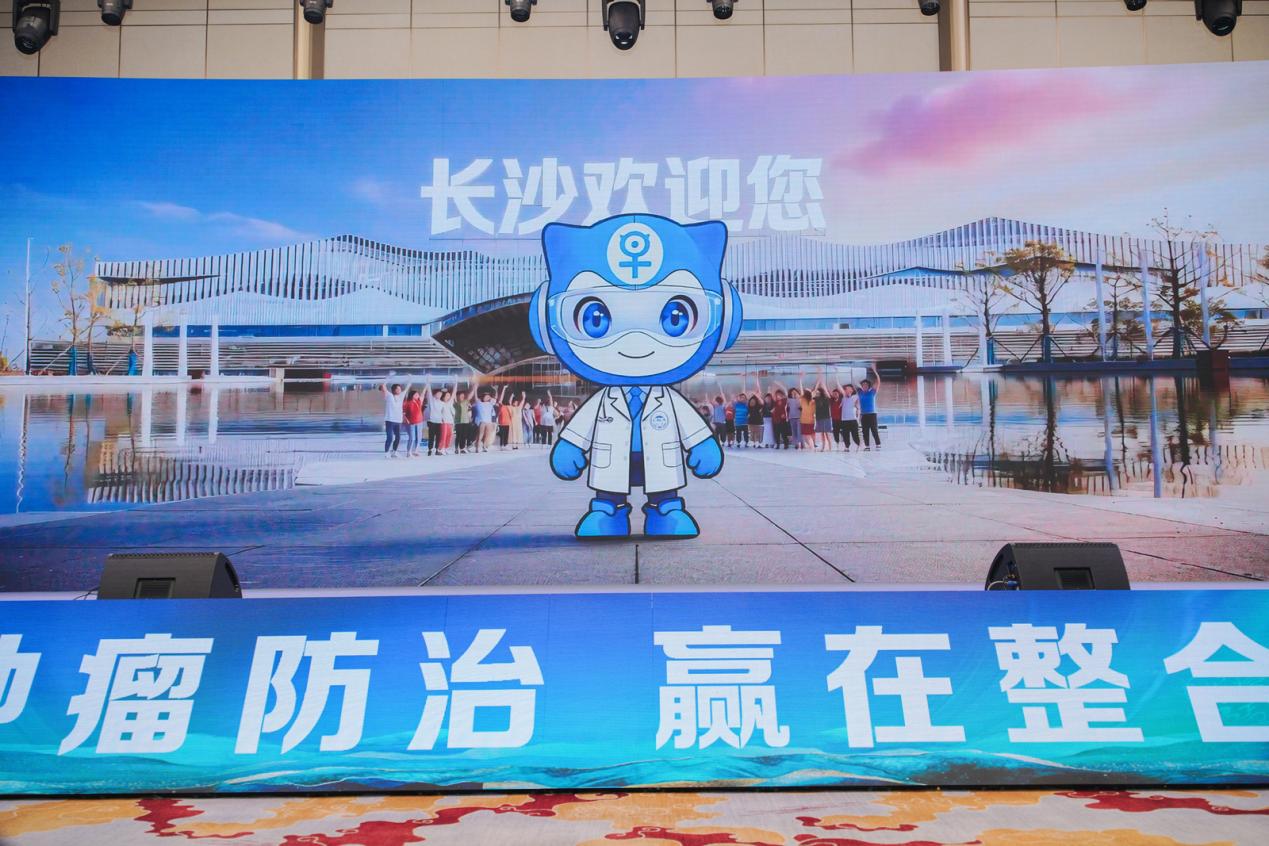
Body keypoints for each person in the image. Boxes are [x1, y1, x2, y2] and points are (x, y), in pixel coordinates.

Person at [380, 382, 407, 458]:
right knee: (390, 437)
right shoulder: (389, 396)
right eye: (398, 389)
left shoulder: (401, 396)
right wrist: (386, 380)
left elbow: (407, 387)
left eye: (400, 389)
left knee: (398, 437)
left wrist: (410, 379)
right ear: (394, 390)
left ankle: (394, 452)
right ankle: (386, 452)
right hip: (390, 420)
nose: (399, 390)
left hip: (398, 421)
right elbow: (384, 387)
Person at [859, 366, 882, 450]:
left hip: (872, 414)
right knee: (865, 431)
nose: (864, 386)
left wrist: (875, 372)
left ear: (869, 386)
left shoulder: (872, 392)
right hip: (863, 414)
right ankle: (867, 446)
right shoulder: (860, 392)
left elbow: (878, 382)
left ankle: (878, 444)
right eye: (863, 385)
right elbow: (854, 383)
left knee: (874, 430)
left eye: (866, 385)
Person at [424, 382, 445, 456]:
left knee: (438, 436)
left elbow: (442, 412)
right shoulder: (432, 400)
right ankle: (430, 450)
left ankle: (437, 450)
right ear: (435, 394)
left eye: (440, 394)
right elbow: (429, 393)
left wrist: (443, 419)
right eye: (438, 394)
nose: (439, 395)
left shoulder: (442, 403)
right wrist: (428, 383)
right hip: (432, 421)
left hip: (439, 421)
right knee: (431, 436)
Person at [402, 388, 424, 457]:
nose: (418, 395)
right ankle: (409, 452)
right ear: (412, 395)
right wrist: (406, 420)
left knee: (419, 436)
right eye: (416, 394)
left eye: (418, 394)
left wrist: (426, 386)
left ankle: (416, 450)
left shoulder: (418, 401)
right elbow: (403, 413)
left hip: (419, 421)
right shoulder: (407, 403)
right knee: (412, 437)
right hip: (411, 422)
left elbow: (423, 394)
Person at [840, 383, 861, 451]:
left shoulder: (855, 396)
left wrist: (858, 410)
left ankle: (858, 445)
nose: (847, 390)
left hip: (853, 419)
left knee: (855, 435)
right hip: (844, 420)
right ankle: (847, 447)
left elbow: (858, 405)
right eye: (846, 389)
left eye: (849, 388)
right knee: (845, 435)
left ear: (852, 390)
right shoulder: (843, 397)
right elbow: (840, 388)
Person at [813, 382, 833, 451]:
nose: (817, 394)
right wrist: (818, 383)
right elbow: (813, 393)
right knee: (822, 433)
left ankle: (830, 447)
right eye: (816, 393)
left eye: (818, 393)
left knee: (827, 433)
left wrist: (822, 383)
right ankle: (823, 447)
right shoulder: (815, 399)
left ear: (821, 393)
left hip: (826, 417)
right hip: (819, 418)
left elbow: (827, 393)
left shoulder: (826, 398)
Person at [454, 388, 473, 453]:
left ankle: (462, 448)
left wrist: (474, 388)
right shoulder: (456, 403)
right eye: (460, 395)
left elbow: (470, 397)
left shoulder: (466, 402)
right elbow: (454, 396)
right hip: (458, 421)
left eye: (463, 395)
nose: (462, 396)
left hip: (466, 421)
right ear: (457, 396)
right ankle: (456, 448)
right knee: (458, 435)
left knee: (464, 436)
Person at [439, 386, 455, 454]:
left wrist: (455, 384)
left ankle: (446, 448)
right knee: (444, 435)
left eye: (449, 395)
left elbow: (454, 394)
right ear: (444, 396)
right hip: (444, 422)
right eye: (447, 396)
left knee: (449, 435)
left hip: (450, 422)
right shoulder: (441, 403)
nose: (449, 397)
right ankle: (441, 448)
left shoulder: (450, 403)